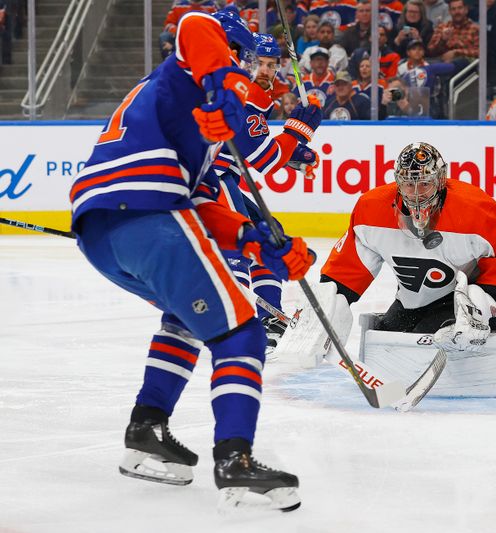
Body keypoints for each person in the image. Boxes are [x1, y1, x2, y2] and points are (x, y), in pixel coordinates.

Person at [69, 9, 319, 510]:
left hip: (104, 231)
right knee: (243, 331)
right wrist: (227, 85)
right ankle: (235, 460)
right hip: (148, 213)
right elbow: (195, 22)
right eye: (241, 56)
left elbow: (204, 210)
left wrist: (254, 239)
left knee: (185, 318)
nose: (247, 68)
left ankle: (147, 430)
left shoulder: (188, 121)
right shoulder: (191, 66)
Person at [317, 142, 496, 398]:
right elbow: (348, 267)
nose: (416, 193)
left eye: (424, 183)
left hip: (472, 300)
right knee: (386, 343)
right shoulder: (370, 209)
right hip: (416, 300)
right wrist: (328, 306)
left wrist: (480, 307)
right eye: (408, 184)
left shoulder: (475, 209)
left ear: (440, 181)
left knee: (433, 343)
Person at [210, 32, 319, 350]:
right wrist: (299, 132)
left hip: (219, 174)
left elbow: (250, 148)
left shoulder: (249, 94)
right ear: (245, 60)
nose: (267, 70)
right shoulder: (242, 93)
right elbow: (264, 159)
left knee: (270, 236)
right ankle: (238, 325)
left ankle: (267, 317)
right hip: (211, 179)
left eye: (273, 64)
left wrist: (294, 155)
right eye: (261, 63)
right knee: (241, 246)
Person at [396, 39, 455, 118]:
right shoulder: (401, 68)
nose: (417, 51)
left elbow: (436, 88)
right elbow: (396, 86)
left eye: (420, 49)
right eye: (414, 49)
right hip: (406, 100)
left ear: (423, 52)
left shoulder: (429, 66)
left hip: (428, 100)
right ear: (408, 53)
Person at [426, 0, 479, 66]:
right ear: (450, 12)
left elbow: (480, 52)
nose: (457, 12)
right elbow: (430, 50)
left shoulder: (476, 29)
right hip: (440, 63)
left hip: (465, 67)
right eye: (453, 9)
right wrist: (443, 40)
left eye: (460, 8)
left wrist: (456, 52)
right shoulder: (442, 27)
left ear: (466, 10)